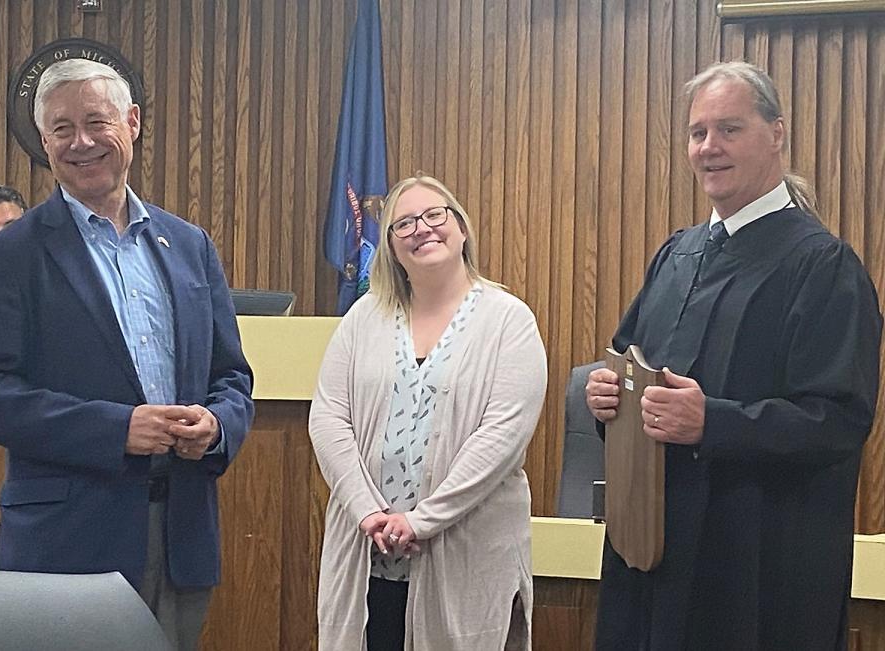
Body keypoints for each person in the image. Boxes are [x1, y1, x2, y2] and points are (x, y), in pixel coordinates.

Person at [0, 59, 254, 651]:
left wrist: (218, 425)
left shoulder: (190, 245)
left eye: (96, 121)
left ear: (134, 122)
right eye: (62, 129)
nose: (82, 141)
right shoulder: (10, 256)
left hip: (181, 538)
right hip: (65, 542)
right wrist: (117, 428)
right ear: (45, 143)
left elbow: (231, 376)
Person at [586, 61, 882, 650]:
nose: (709, 147)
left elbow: (839, 422)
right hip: (653, 546)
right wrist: (608, 398)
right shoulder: (678, 254)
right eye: (698, 132)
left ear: (777, 133)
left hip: (755, 567)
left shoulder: (822, 266)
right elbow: (629, 363)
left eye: (730, 129)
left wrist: (711, 423)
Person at [309, 174, 548, 650]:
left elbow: (501, 438)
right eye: (403, 224)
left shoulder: (509, 321)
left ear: (460, 228)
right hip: (367, 554)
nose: (422, 228)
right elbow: (329, 417)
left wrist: (422, 520)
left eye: (434, 215)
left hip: (463, 556)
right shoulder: (363, 318)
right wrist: (368, 511)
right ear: (392, 248)